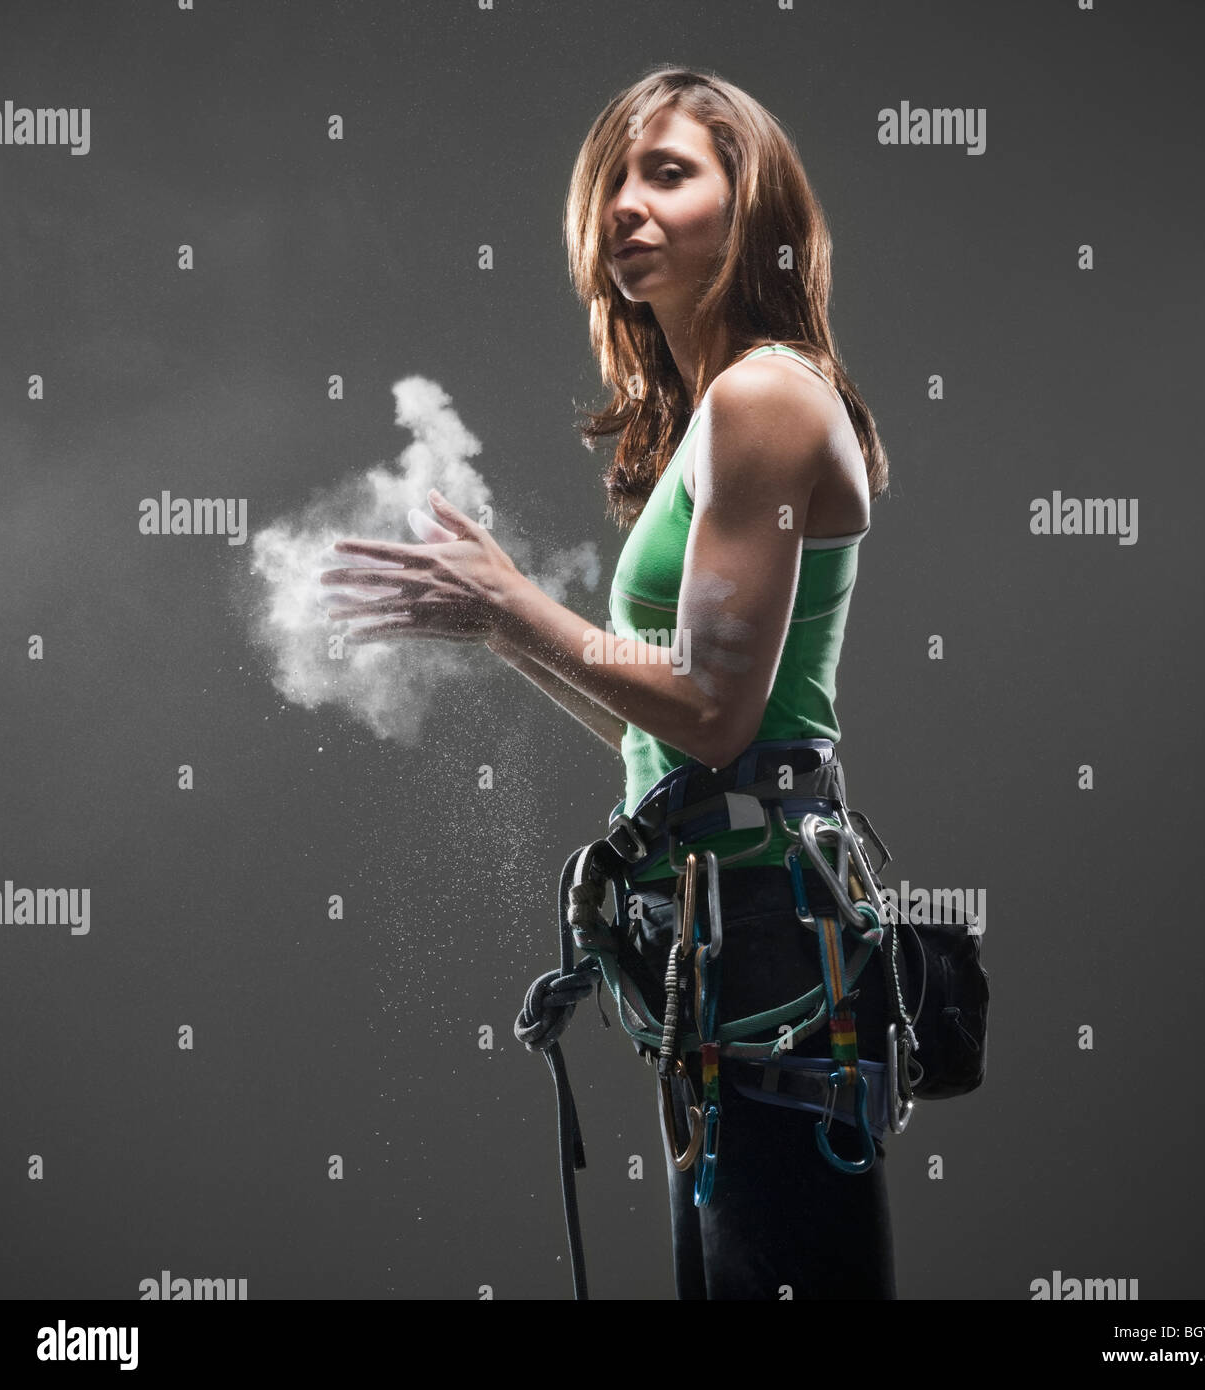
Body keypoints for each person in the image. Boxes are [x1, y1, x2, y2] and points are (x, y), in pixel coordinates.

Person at [322, 65, 895, 1300]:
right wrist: (505, 633)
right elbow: (682, 742)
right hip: (713, 934)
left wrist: (514, 601)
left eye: (669, 173)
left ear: (752, 208)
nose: (624, 204)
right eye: (612, 182)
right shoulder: (712, 409)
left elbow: (711, 709)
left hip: (762, 939)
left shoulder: (761, 397)